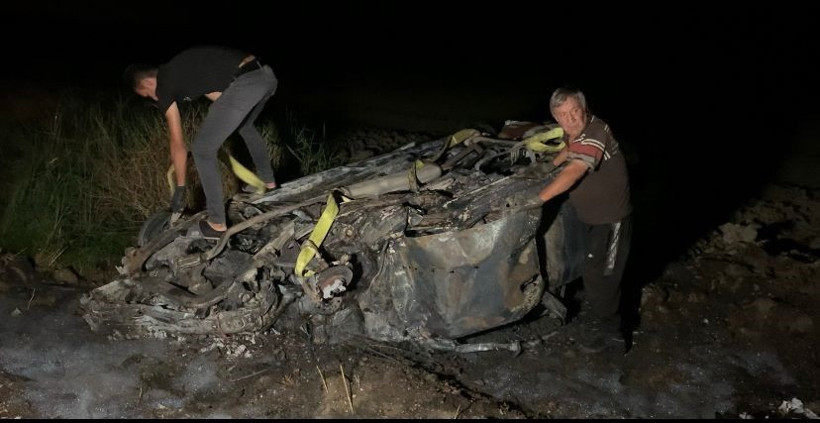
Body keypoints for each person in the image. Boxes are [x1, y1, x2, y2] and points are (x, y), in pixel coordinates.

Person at [124, 45, 278, 239]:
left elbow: (177, 142)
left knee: (202, 150)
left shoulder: (164, 83)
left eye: (147, 94)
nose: (155, 99)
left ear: (145, 82)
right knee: (245, 126)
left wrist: (180, 187)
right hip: (264, 77)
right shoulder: (185, 72)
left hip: (246, 83)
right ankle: (270, 184)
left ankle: (217, 224)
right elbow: (223, 100)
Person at [537, 86, 633, 350]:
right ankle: (602, 314)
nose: (570, 119)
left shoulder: (595, 131)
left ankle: (614, 335)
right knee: (594, 270)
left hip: (612, 220)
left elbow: (576, 170)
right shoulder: (577, 132)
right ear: (556, 118)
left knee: (603, 276)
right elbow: (569, 152)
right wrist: (548, 168)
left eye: (574, 112)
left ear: (584, 108)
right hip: (592, 217)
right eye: (562, 115)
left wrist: (536, 199)